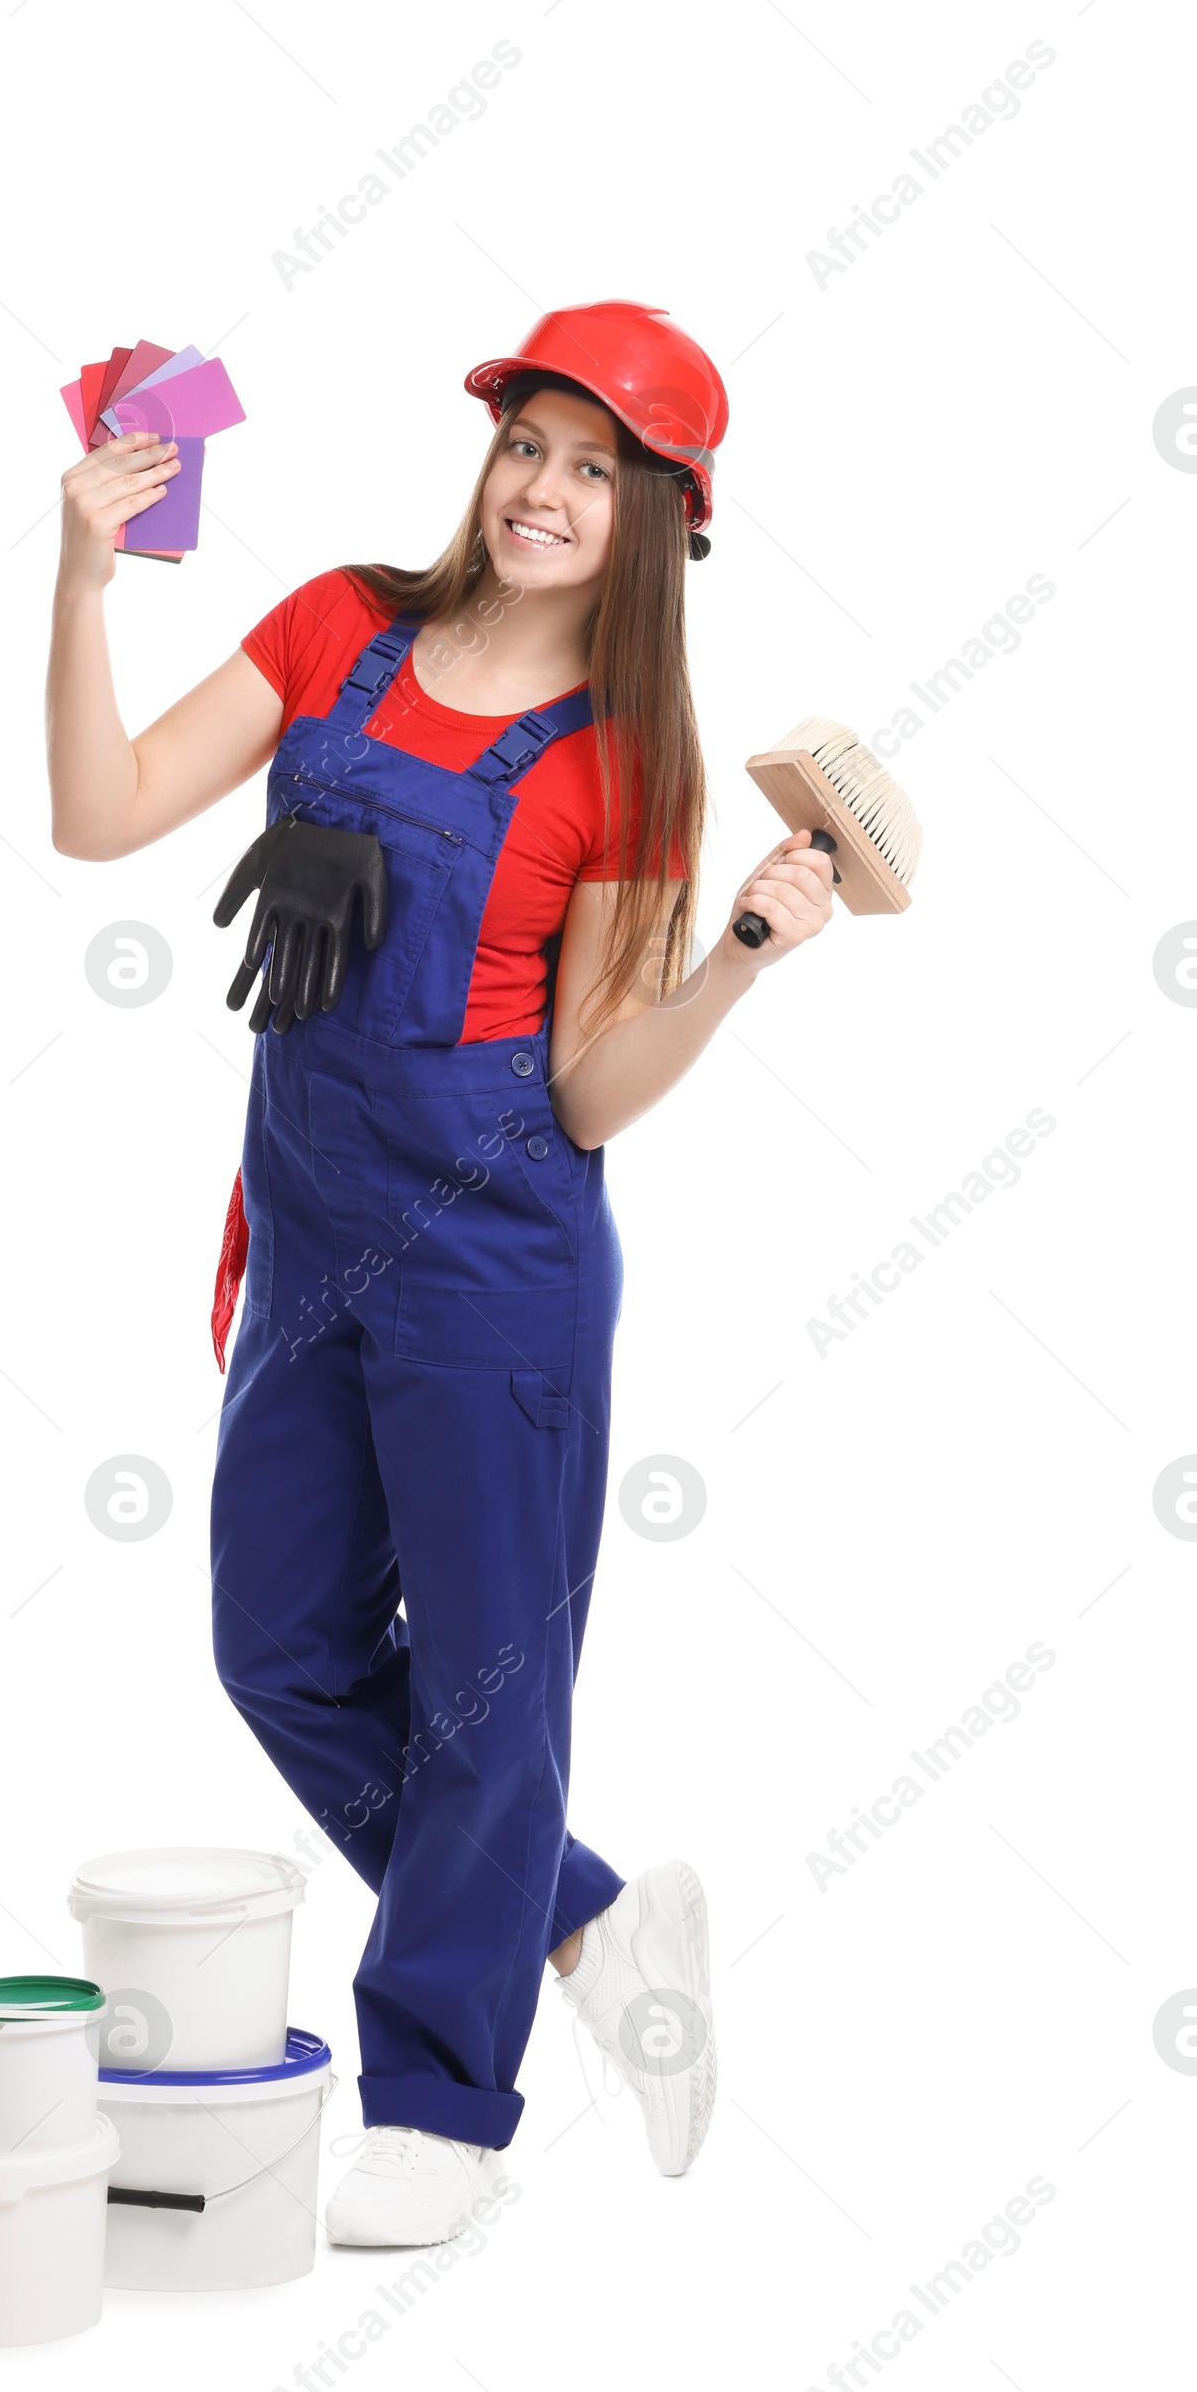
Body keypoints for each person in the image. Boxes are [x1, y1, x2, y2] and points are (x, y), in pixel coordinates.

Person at [47, 302, 836, 2248]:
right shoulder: (334, 626)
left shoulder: (626, 764)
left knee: (487, 1699)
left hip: (493, 1277)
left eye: (594, 466)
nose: (543, 489)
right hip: (305, 1240)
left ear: (663, 519)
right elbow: (101, 810)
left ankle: (435, 2101)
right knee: (279, 1649)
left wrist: (731, 953)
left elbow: (589, 1084)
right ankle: (580, 1920)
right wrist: (80, 576)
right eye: (525, 445)